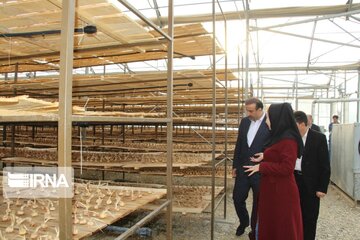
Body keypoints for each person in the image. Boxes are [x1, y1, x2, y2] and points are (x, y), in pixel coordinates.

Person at [244, 103, 303, 240]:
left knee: (281, 227)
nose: (266, 121)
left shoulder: (289, 140)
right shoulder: (281, 136)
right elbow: (280, 154)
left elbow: (287, 168)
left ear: (278, 118)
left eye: (269, 117)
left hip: (282, 193)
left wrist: (262, 167)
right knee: (271, 225)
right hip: (274, 190)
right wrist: (266, 156)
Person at [232, 98, 270, 239]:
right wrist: (235, 165)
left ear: (260, 109)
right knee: (237, 198)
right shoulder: (245, 122)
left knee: (258, 202)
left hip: (260, 170)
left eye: (251, 111)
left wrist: (265, 157)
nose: (248, 113)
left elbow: (274, 147)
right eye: (247, 110)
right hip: (243, 168)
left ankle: (255, 230)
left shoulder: (269, 123)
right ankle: (243, 222)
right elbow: (239, 144)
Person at [294, 111, 331, 240]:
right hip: (293, 180)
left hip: (311, 183)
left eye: (295, 125)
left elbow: (325, 165)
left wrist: (322, 187)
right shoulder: (291, 138)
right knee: (295, 214)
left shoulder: (318, 138)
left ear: (303, 124)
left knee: (310, 216)